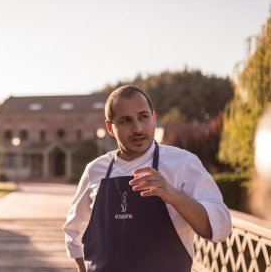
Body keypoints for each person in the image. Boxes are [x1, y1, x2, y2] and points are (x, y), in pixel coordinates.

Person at [63, 85, 232, 272]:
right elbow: (74, 229)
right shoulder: (95, 170)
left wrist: (174, 196)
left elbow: (222, 225)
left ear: (153, 117)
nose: (137, 129)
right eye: (126, 121)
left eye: (143, 117)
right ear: (110, 127)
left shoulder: (183, 163)